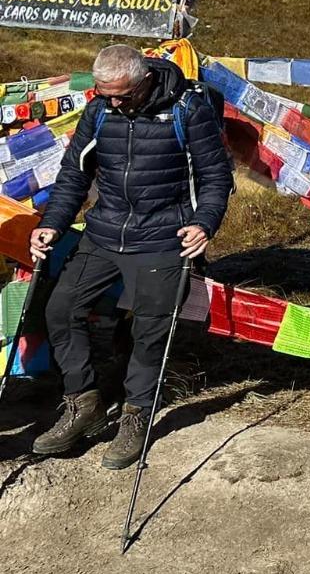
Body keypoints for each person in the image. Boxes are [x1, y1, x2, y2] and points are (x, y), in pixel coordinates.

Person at [30, 44, 233, 469]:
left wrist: (204, 223)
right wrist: (53, 224)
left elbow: (216, 177)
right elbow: (73, 174)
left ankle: (136, 414)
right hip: (103, 233)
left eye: (122, 95)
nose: (114, 102)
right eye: (106, 94)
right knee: (61, 309)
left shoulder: (187, 109)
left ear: (144, 81)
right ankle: (81, 402)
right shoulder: (99, 110)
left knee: (149, 331)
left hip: (163, 237)